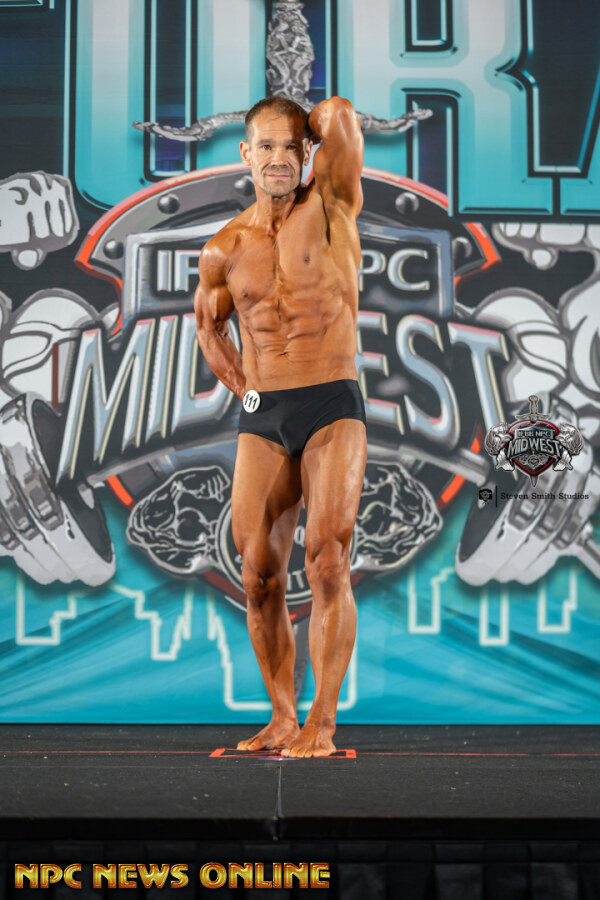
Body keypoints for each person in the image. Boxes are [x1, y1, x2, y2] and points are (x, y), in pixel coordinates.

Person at [194, 95, 366, 758]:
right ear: (244, 154)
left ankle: (322, 722)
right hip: (265, 413)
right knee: (258, 574)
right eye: (264, 146)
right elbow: (208, 329)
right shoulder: (224, 248)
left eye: (290, 146)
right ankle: (282, 717)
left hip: (331, 402)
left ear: (306, 152)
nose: (277, 158)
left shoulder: (332, 206)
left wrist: (306, 125)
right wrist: (247, 391)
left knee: (327, 558)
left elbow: (340, 114)